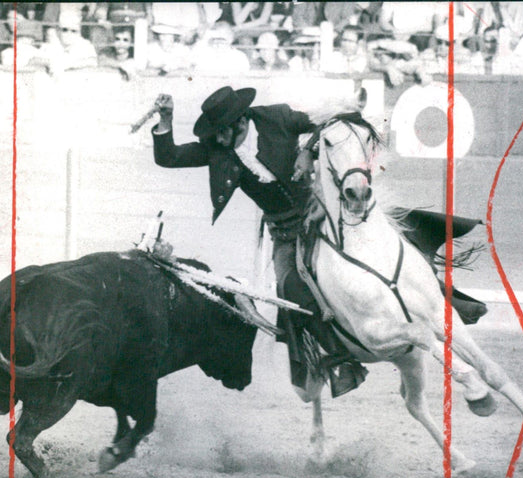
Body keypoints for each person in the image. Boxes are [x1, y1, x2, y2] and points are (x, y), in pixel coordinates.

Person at [150, 86, 368, 397]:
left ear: (241, 121)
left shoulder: (276, 117)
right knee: (290, 291)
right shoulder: (217, 149)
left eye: (222, 132)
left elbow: (330, 122)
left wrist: (308, 151)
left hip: (327, 212)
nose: (217, 140)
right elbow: (168, 157)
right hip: (286, 233)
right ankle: (341, 362)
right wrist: (166, 118)